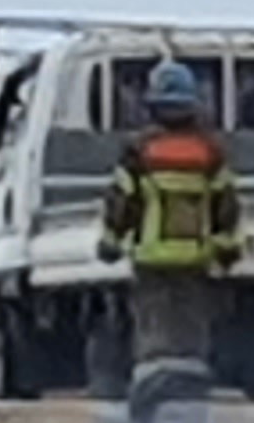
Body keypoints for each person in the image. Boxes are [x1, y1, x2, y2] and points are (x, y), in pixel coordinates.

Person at [101, 59, 241, 373]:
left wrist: (111, 241)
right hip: (195, 255)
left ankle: (154, 370)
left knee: (153, 316)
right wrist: (227, 247)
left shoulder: (139, 150)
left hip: (150, 255)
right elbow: (226, 204)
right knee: (192, 318)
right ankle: (192, 371)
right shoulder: (210, 151)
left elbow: (121, 200)